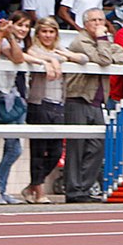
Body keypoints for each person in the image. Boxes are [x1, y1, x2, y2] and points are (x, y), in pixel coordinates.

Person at [63, 9, 123, 202]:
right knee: (76, 148)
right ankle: (73, 191)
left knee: (97, 147)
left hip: (97, 103)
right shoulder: (80, 41)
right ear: (85, 24)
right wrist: (103, 41)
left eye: (101, 20)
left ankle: (84, 188)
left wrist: (104, 47)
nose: (99, 23)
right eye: (94, 20)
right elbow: (104, 59)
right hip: (78, 98)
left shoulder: (104, 42)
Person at [22, 16, 85, 203]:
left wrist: (63, 56)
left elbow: (83, 59)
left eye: (51, 32)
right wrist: (51, 59)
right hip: (39, 103)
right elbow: (31, 54)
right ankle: (39, 192)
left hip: (58, 104)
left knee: (56, 151)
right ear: (38, 33)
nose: (48, 35)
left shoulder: (60, 50)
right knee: (39, 150)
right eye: (44, 31)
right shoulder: (35, 49)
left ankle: (33, 185)